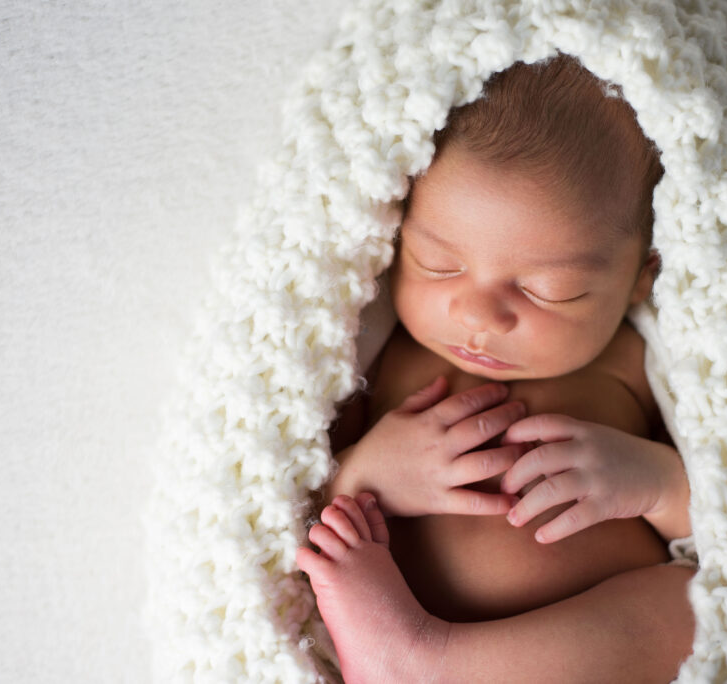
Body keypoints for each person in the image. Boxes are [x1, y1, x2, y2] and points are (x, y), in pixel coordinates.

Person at [296, 54, 697, 683]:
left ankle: (427, 663)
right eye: (437, 263)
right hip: (389, 633)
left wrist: (657, 483)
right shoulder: (384, 357)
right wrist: (370, 472)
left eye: (550, 289)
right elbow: (295, 509)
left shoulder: (635, 363)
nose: (479, 314)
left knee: (695, 611)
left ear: (640, 278)